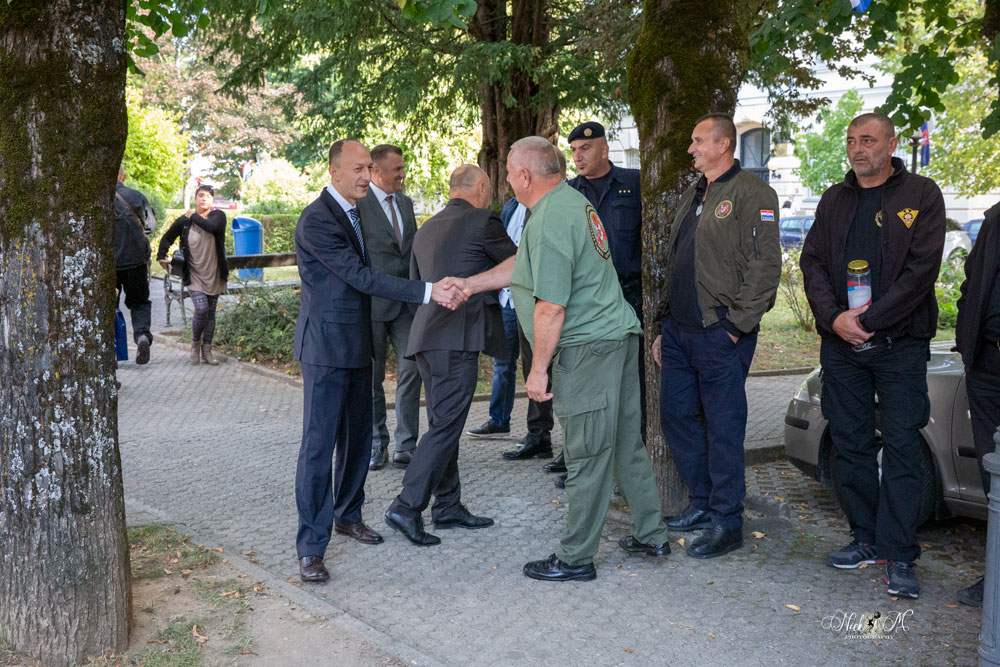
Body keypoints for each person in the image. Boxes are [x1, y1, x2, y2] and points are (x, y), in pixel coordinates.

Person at [292, 139, 466, 582]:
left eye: (369, 167)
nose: (366, 176)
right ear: (333, 172)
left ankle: (348, 516)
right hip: (325, 350)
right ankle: (311, 547)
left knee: (357, 441)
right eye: (357, 169)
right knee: (319, 447)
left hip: (357, 345)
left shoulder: (356, 212)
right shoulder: (317, 219)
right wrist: (428, 291)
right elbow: (359, 276)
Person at [504, 136, 671, 582]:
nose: (508, 180)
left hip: (586, 350)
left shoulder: (550, 218)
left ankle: (575, 557)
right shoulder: (571, 203)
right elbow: (525, 267)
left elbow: (550, 307)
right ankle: (651, 534)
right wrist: (470, 283)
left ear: (525, 176)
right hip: (616, 337)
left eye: (510, 172)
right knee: (625, 444)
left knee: (586, 453)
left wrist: (538, 370)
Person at [800, 112, 945, 599]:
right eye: (851, 141)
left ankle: (900, 553)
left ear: (891, 145)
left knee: (902, 447)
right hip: (841, 346)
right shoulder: (834, 199)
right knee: (850, 444)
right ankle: (865, 538)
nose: (857, 149)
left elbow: (921, 272)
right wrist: (834, 318)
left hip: (900, 345)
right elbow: (812, 262)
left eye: (867, 140)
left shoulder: (922, 195)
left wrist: (870, 320)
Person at [650, 113, 781, 559]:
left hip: (720, 332)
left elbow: (765, 265)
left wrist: (736, 327)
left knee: (724, 427)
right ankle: (703, 504)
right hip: (680, 332)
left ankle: (728, 520)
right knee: (676, 417)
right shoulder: (695, 193)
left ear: (724, 144)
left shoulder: (751, 192)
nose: (691, 148)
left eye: (698, 140)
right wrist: (663, 325)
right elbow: (678, 262)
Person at [384, 165, 517, 546]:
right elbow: (520, 263)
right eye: (489, 188)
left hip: (426, 338)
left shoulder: (426, 228)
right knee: (445, 427)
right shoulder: (483, 220)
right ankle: (406, 506)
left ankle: (447, 505)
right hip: (456, 339)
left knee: (445, 423)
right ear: (481, 187)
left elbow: (417, 288)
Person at [567, 122, 645, 456]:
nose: (578, 157)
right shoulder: (568, 192)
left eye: (585, 149)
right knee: (588, 380)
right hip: (586, 301)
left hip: (629, 296)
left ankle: (632, 452)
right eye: (573, 150)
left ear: (604, 149)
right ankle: (585, 455)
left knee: (632, 379)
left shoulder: (634, 183)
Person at [467, 197, 557, 467]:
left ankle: (540, 434)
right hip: (507, 298)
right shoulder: (509, 207)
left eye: (513, 175)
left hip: (535, 301)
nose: (508, 178)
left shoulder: (547, 206)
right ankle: (499, 420)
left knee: (538, 367)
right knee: (502, 362)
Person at [357, 144, 422, 471]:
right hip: (371, 306)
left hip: (406, 306)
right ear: (376, 171)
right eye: (397, 169)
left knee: (412, 370)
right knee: (372, 378)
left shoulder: (406, 203)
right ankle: (376, 444)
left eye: (403, 168)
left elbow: (410, 252)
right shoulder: (358, 204)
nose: (403, 174)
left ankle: (406, 446)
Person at [955, 203, 1000, 607]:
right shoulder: (996, 219)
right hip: (987, 365)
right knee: (993, 475)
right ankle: (997, 577)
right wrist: (965, 336)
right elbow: (973, 281)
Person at [156, 184, 229, 366]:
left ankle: (207, 351)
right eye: (201, 195)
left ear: (212, 200)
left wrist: (193, 215)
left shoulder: (218, 216)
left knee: (210, 314)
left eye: (208, 196)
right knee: (202, 309)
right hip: (194, 274)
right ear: (195, 198)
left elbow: (211, 227)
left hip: (214, 274)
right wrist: (161, 256)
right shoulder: (184, 222)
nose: (204, 198)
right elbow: (167, 237)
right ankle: (195, 345)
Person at [114, 165, 155, 365]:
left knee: (108, 307)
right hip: (136, 260)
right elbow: (151, 226)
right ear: (123, 176)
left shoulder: (95, 198)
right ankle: (142, 336)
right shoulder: (136, 196)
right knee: (139, 302)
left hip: (108, 263)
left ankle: (110, 352)